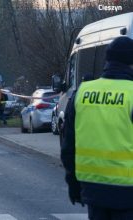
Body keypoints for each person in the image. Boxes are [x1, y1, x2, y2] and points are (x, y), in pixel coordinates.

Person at [61, 36, 133, 220]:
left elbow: (68, 146)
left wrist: (73, 184)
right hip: (128, 194)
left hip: (93, 191)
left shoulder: (82, 93)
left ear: (107, 61)